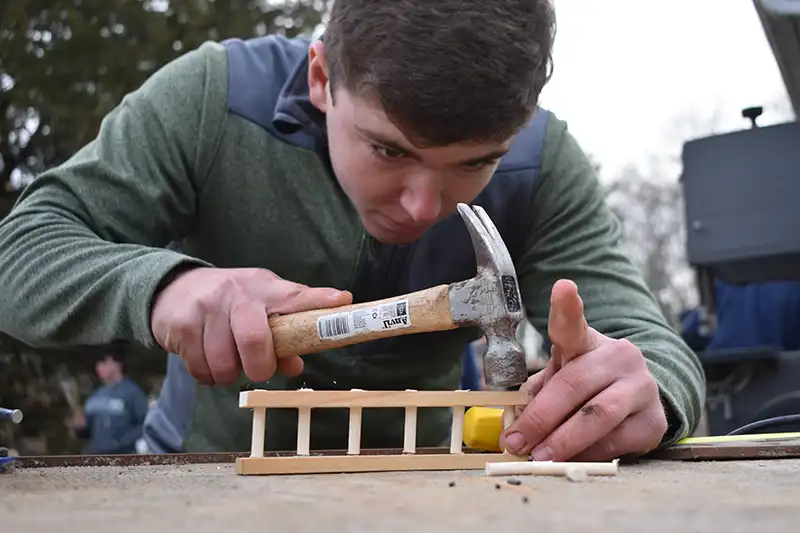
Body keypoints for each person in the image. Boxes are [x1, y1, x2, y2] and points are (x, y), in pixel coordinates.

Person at [0, 0, 704, 462]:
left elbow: (655, 351)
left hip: (429, 483)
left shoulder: (545, 163)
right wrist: (162, 287)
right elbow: (19, 253)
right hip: (200, 469)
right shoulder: (211, 102)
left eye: (475, 162)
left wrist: (647, 394)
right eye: (389, 150)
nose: (424, 206)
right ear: (320, 75)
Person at [70, 353, 149, 455]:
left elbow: (145, 424)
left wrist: (123, 441)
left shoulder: (132, 392)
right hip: (96, 456)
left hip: (123, 457)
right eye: (98, 364)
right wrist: (80, 427)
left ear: (117, 364)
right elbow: (87, 432)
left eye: (104, 362)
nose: (100, 367)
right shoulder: (95, 395)